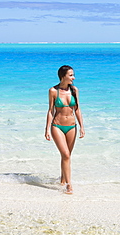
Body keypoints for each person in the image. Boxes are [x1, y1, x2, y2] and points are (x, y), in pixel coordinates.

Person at [45, 65, 85, 194]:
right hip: (57, 126)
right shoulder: (53, 91)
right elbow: (51, 110)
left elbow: (77, 109)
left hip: (72, 126)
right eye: (71, 75)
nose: (73, 77)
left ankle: (62, 180)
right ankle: (69, 185)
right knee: (66, 155)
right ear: (63, 76)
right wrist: (47, 129)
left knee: (67, 156)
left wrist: (82, 127)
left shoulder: (74, 90)